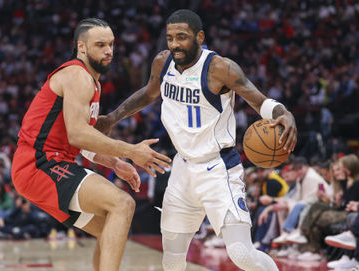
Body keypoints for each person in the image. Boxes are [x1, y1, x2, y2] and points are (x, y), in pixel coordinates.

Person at [97, 9, 297, 271]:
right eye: (170, 38)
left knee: (241, 254)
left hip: (219, 168)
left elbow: (257, 99)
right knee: (172, 258)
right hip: (182, 168)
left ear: (199, 36)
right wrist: (112, 117)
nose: (175, 44)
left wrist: (284, 113)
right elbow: (148, 94)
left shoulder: (220, 67)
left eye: (182, 37)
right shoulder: (163, 61)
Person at [11, 18, 171, 271]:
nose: (108, 51)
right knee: (123, 203)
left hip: (46, 164)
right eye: (100, 45)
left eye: (110, 44)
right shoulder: (77, 75)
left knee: (108, 225)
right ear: (82, 47)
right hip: (39, 164)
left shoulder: (91, 82)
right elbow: (77, 135)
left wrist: (116, 162)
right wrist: (131, 151)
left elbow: (81, 140)